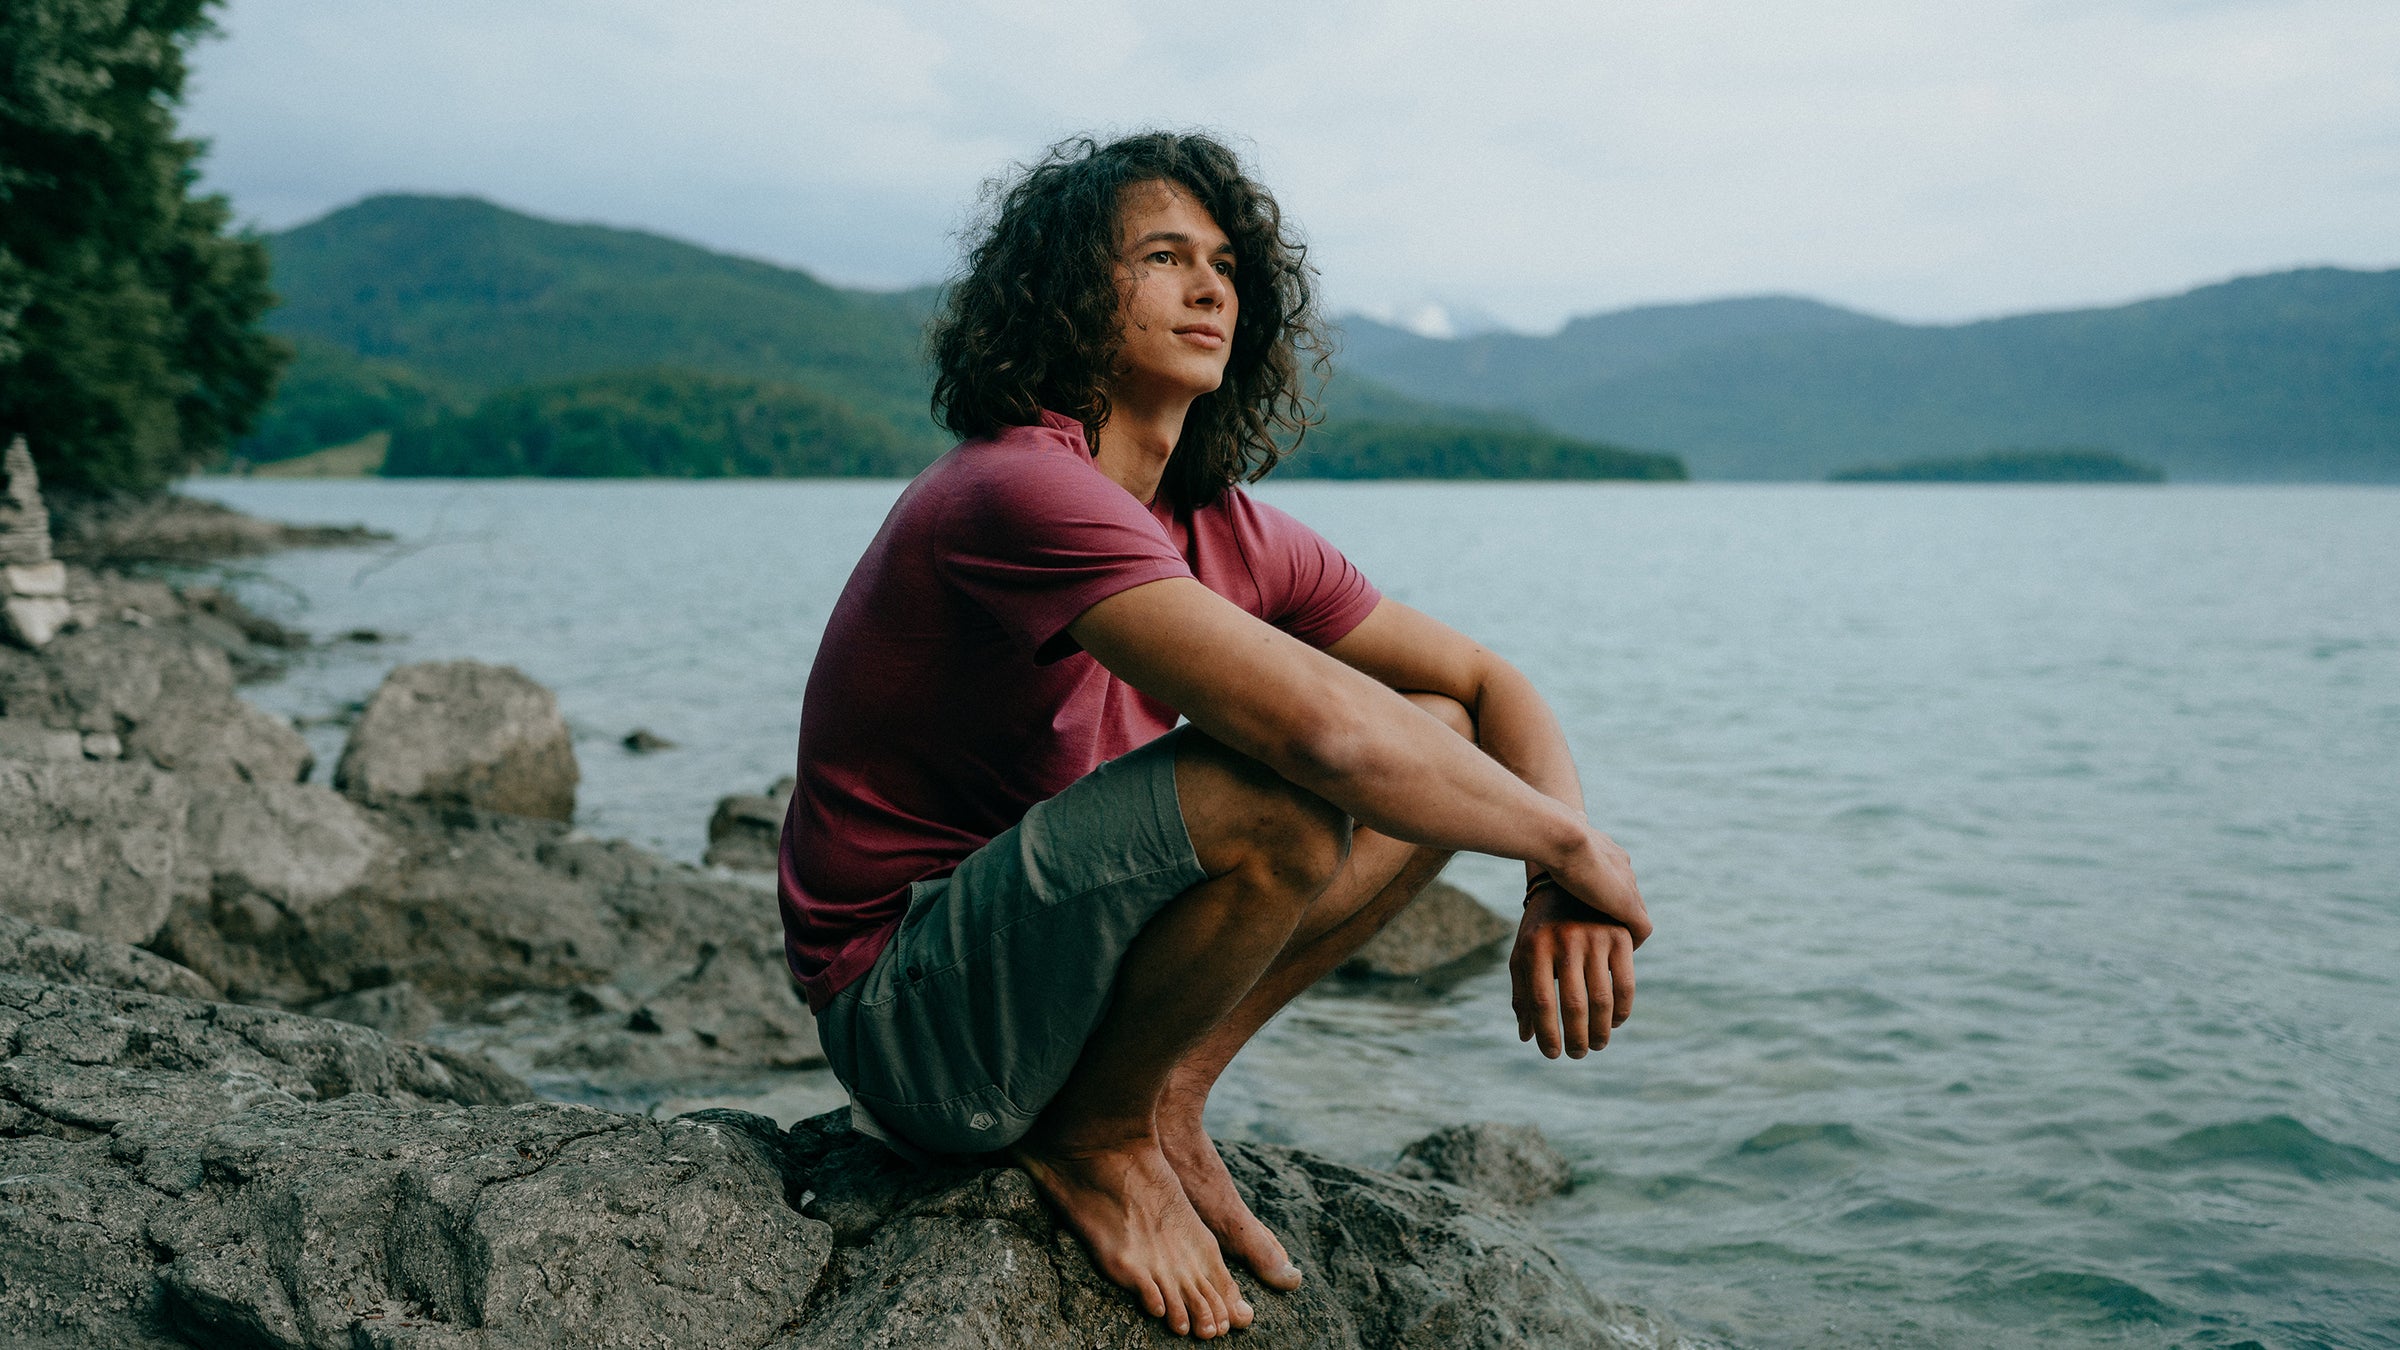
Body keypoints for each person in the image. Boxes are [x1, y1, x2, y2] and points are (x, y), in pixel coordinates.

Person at [778, 131, 1651, 1341]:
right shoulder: (1016, 489)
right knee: (1283, 791)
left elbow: (1485, 685)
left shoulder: (1228, 528)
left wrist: (1558, 865)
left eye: (1228, 264)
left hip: (1038, 978)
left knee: (1437, 729)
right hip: (912, 1019)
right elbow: (1320, 737)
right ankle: (1094, 1136)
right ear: (1073, 294)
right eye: (1162, 256)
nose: (1209, 287)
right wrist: (1570, 843)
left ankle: (1161, 1090)